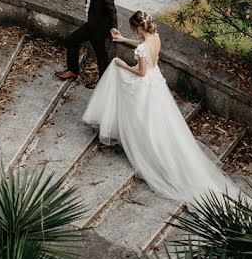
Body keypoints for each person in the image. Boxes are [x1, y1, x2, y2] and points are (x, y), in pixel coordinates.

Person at [81, 11, 241, 204]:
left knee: (137, 111)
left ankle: (142, 150)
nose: (134, 32)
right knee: (158, 119)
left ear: (139, 28)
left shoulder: (142, 48)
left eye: (133, 29)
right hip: (156, 82)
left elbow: (140, 72)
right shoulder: (155, 37)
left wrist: (122, 64)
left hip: (144, 84)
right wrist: (123, 38)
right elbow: (142, 46)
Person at [55, 0, 118, 89]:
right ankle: (73, 70)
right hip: (91, 24)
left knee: (101, 55)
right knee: (71, 40)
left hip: (100, 27)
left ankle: (103, 82)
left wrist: (113, 28)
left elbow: (111, 9)